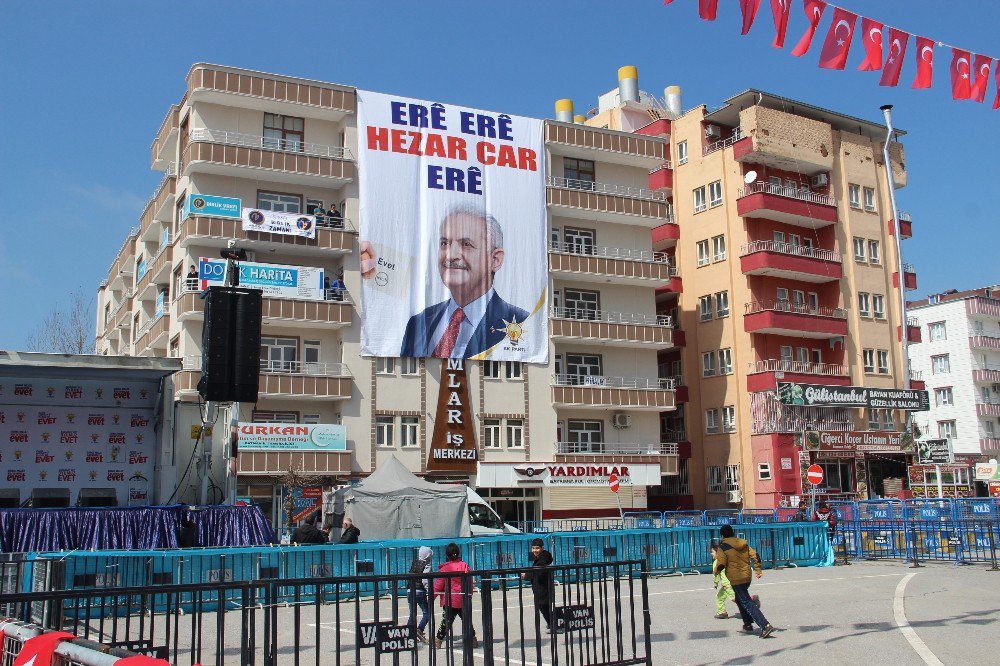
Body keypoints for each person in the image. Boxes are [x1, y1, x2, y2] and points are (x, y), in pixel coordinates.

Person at [399, 206, 529, 358]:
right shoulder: (418, 323)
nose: (450, 255)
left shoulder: (521, 323)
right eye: (444, 243)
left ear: (495, 260)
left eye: (466, 244)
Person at [713, 525, 774, 638]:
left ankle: (765, 625)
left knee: (746, 601)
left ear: (722, 535)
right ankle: (747, 624)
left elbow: (721, 564)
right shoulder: (743, 543)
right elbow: (755, 555)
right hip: (747, 576)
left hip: (736, 579)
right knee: (739, 599)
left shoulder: (723, 547)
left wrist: (716, 571)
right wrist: (758, 569)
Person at [433, 543, 479, 649]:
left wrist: (432, 598)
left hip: (450, 600)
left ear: (447, 555)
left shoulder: (445, 568)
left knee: (446, 622)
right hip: (463, 598)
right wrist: (470, 593)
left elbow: (438, 585)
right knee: (467, 621)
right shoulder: (464, 565)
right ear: (458, 553)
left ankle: (438, 641)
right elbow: (470, 581)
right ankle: (473, 640)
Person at [521, 538, 555, 631]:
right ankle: (552, 623)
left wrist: (526, 576)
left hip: (543, 588)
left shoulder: (543, 559)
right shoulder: (542, 557)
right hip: (542, 587)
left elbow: (539, 572)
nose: (534, 550)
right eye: (533, 548)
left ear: (542, 548)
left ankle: (554, 624)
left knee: (544, 606)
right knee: (544, 606)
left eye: (537, 548)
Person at [408, 546, 433, 644]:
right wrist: (429, 590)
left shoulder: (413, 563)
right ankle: (419, 630)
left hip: (410, 590)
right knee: (427, 613)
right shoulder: (427, 565)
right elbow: (425, 580)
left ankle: (409, 634)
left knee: (412, 614)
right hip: (419, 591)